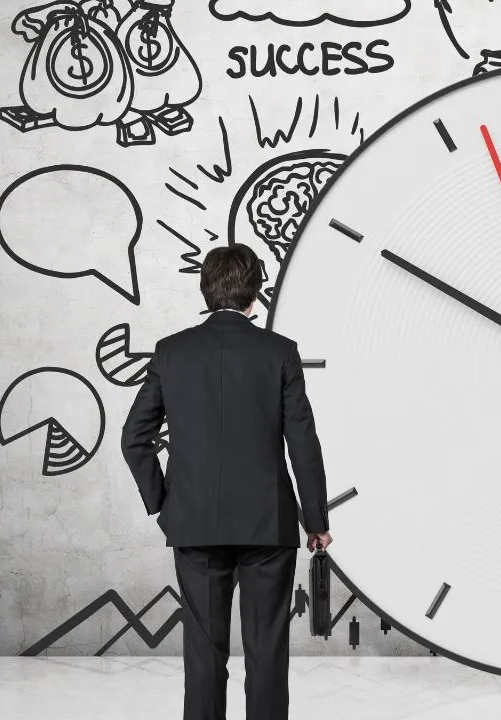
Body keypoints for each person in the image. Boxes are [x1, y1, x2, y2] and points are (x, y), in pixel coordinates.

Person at [121, 243, 332, 720]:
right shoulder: (280, 353)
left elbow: (134, 437)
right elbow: (303, 442)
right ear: (256, 292)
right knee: (266, 656)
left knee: (203, 657)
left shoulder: (171, 352)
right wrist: (315, 519)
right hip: (267, 526)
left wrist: (163, 504)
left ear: (205, 289)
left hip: (193, 523)